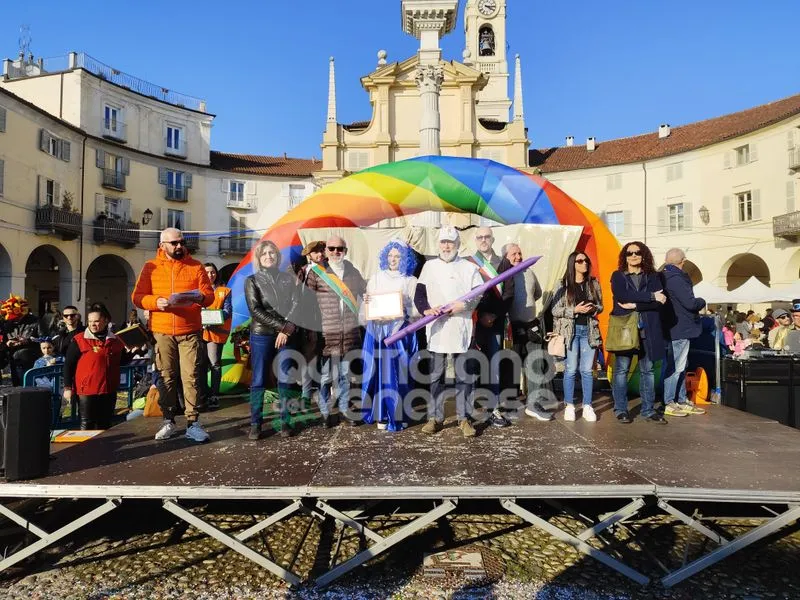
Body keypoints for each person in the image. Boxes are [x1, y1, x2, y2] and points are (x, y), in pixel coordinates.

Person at [132, 227, 215, 443]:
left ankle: (193, 422)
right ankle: (168, 419)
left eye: (181, 242)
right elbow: (138, 297)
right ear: (162, 246)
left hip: (190, 330)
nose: (179, 246)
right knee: (166, 377)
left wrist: (200, 298)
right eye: (174, 243)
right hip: (162, 330)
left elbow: (209, 296)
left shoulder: (196, 266)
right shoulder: (150, 267)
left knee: (191, 377)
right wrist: (154, 302)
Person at [415, 226, 483, 438]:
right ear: (439, 244)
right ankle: (435, 417)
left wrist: (465, 306)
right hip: (437, 329)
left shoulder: (468, 267)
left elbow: (479, 293)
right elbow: (420, 294)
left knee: (464, 376)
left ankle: (464, 419)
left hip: (461, 327)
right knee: (435, 376)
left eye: (450, 242)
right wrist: (426, 309)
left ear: (457, 245)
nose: (446, 246)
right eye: (443, 242)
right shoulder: (429, 266)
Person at [303, 235, 366, 427]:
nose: (336, 252)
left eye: (340, 249)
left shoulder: (353, 272)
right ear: (326, 251)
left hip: (348, 334)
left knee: (345, 375)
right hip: (325, 335)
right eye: (332, 248)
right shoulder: (316, 274)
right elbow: (306, 303)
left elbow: (365, 293)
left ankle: (345, 409)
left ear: (345, 251)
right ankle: (325, 413)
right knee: (325, 377)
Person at [360, 240, 419, 431]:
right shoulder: (376, 277)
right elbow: (365, 309)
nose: (393, 259)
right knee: (376, 371)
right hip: (376, 330)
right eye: (390, 255)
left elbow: (416, 310)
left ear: (405, 259)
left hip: (398, 331)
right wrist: (366, 301)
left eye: (398, 256)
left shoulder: (410, 280)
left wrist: (403, 308)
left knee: (397, 373)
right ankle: (381, 413)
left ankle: (397, 413)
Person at [244, 241, 300, 439]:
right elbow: (255, 310)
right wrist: (282, 327)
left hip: (286, 335)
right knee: (258, 379)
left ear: (277, 256)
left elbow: (296, 303)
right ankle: (256, 423)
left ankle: (286, 422)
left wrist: (287, 330)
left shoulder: (288, 279)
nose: (269, 256)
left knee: (285, 378)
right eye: (264, 253)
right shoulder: (252, 280)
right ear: (259, 258)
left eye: (272, 253)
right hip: (261, 334)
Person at [610, 241, 668, 424]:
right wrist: (651, 296)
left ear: (644, 255)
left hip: (648, 330)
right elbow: (622, 296)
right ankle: (621, 409)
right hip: (625, 329)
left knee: (648, 371)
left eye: (637, 252)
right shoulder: (618, 276)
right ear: (624, 256)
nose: (633, 255)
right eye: (629, 253)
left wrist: (636, 304)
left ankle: (648, 410)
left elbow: (661, 301)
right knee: (621, 370)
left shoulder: (653, 276)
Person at [468, 226, 514, 427]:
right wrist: (480, 313)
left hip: (494, 322)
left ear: (493, 239)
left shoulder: (503, 263)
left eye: (487, 236)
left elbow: (509, 293)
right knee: (471, 365)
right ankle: (468, 410)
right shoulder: (469, 263)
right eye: (480, 237)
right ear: (475, 240)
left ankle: (493, 407)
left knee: (493, 364)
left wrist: (494, 315)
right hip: (474, 322)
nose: (483, 240)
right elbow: (465, 291)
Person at [501, 242, 553, 421]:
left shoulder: (530, 272)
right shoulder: (503, 275)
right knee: (512, 365)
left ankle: (534, 403)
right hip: (512, 328)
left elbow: (537, 293)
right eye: (514, 254)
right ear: (506, 257)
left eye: (520, 253)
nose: (518, 257)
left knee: (535, 365)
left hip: (531, 325)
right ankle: (510, 402)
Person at [551, 250, 604, 422]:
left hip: (589, 331)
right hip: (570, 332)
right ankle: (570, 406)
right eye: (580, 261)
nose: (584, 263)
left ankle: (587, 405)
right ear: (572, 263)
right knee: (571, 370)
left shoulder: (593, 283)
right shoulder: (563, 285)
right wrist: (574, 310)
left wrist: (594, 308)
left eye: (586, 261)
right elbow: (554, 310)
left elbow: (601, 306)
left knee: (587, 371)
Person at [63, 303, 126, 430]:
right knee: (87, 424)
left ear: (106, 321)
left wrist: (135, 351)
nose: (92, 324)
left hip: (108, 389)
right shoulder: (79, 339)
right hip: (87, 390)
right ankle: (85, 449)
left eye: (96, 321)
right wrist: (68, 387)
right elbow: (68, 365)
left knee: (105, 424)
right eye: (90, 321)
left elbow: (122, 361)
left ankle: (103, 448)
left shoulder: (116, 340)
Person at [661, 248, 707, 417]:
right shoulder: (676, 278)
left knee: (680, 366)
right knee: (676, 366)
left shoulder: (664, 277)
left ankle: (680, 399)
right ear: (683, 262)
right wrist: (701, 301)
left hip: (673, 327)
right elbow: (689, 303)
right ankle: (670, 402)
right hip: (681, 327)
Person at [297, 240, 326, 409]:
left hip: (326, 320)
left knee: (325, 360)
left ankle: (324, 393)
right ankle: (306, 394)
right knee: (307, 358)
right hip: (308, 321)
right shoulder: (303, 271)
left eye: (321, 251)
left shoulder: (330, 271)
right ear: (309, 255)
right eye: (316, 252)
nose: (320, 254)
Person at [200, 262, 232, 410]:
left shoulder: (224, 291)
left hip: (215, 334)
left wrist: (210, 320)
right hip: (199, 333)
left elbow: (227, 311)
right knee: (200, 365)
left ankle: (214, 395)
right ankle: (203, 393)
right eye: (206, 272)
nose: (210, 275)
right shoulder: (197, 291)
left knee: (214, 365)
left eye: (212, 272)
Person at [1, 296, 42, 386]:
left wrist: (27, 341)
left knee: (30, 387)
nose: (15, 319)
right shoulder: (7, 323)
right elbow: (2, 342)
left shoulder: (35, 321)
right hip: (14, 360)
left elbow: (44, 339)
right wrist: (7, 343)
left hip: (32, 360)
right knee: (17, 388)